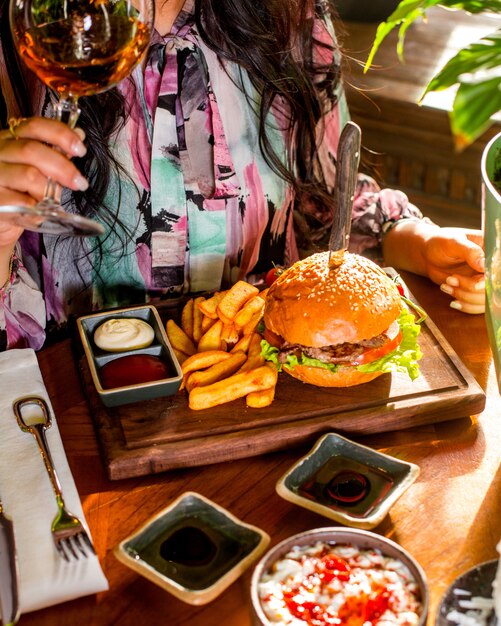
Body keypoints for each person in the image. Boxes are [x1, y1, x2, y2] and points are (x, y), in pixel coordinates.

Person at [0, 0, 485, 351]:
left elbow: (326, 206)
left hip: (272, 394)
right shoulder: (29, 36)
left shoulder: (291, 16)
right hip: (72, 410)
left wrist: (420, 242)